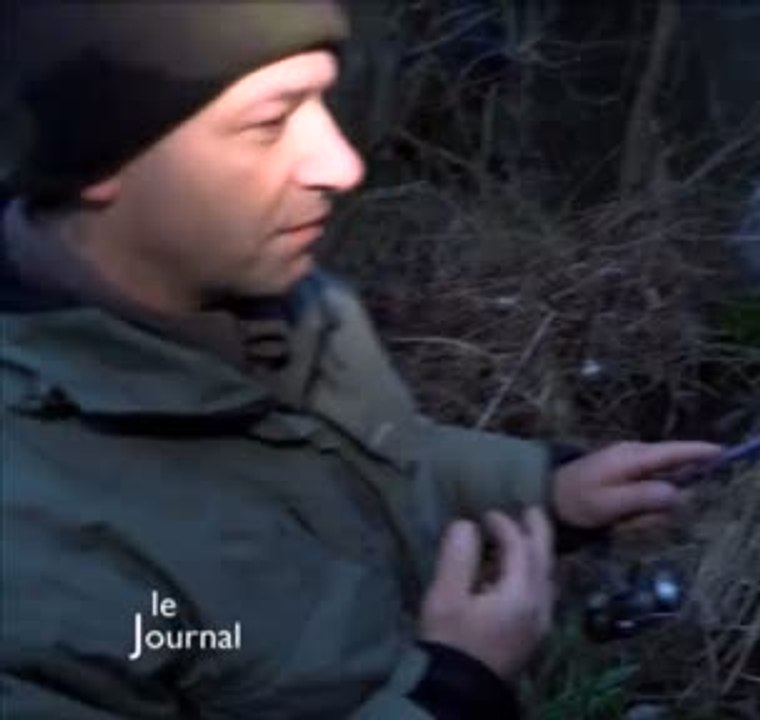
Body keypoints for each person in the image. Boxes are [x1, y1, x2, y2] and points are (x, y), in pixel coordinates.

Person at [0, 3, 720, 718]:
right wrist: (455, 692)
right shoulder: (26, 560)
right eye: (268, 123)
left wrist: (545, 490)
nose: (342, 165)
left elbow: (363, 471)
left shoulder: (296, 301)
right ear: (99, 159)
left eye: (322, 101)